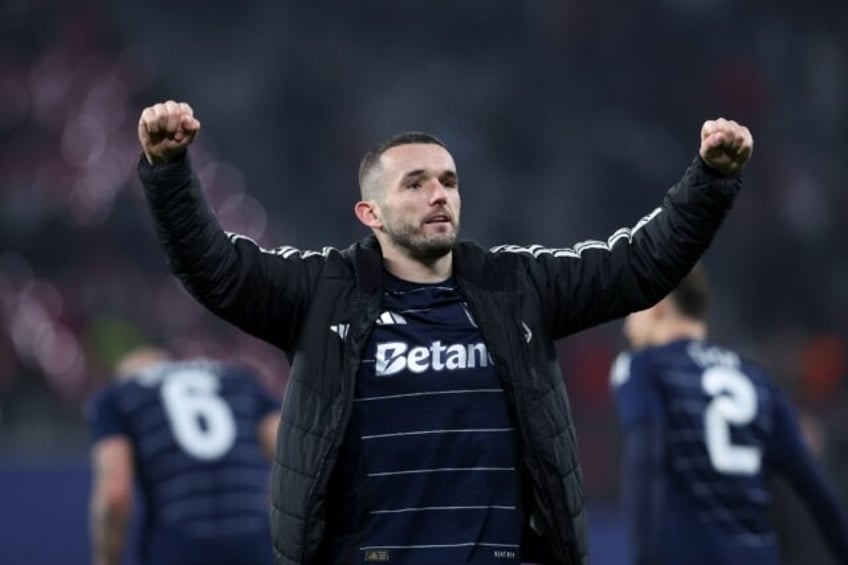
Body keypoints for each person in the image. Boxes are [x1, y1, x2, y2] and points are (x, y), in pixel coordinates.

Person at [135, 99, 752, 565]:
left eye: (449, 182)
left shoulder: (515, 285)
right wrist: (168, 172)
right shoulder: (322, 292)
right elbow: (216, 269)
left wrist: (710, 181)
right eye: (417, 183)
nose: (440, 196)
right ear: (369, 213)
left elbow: (635, 266)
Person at [610, 267, 848, 565]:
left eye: (631, 309)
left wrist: (642, 556)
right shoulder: (758, 380)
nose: (626, 325)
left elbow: (644, 460)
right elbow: (818, 493)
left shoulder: (645, 367)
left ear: (657, 306)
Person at [88, 346, 280, 565]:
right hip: (256, 545)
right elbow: (293, 458)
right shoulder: (240, 382)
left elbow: (115, 494)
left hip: (177, 546)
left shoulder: (118, 397)